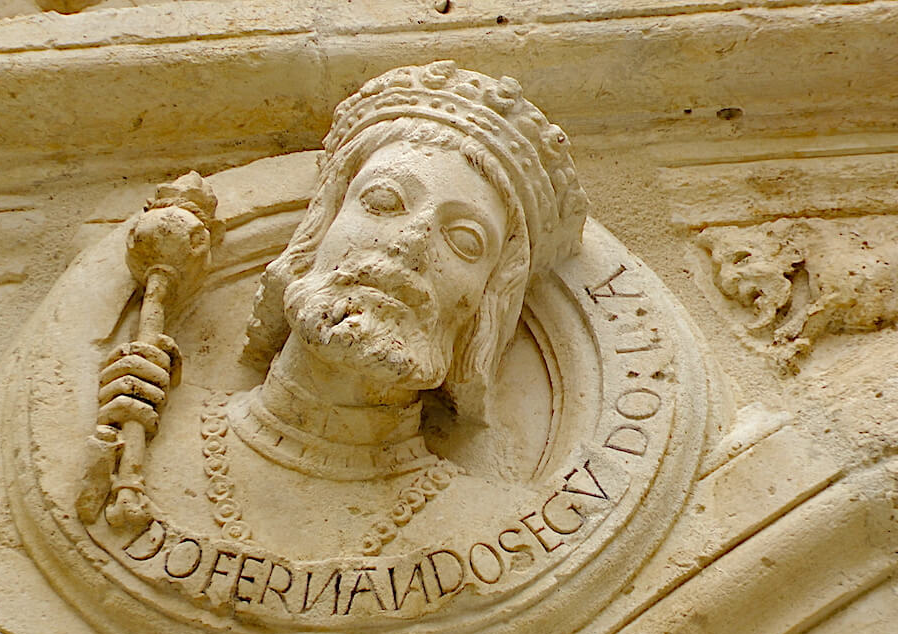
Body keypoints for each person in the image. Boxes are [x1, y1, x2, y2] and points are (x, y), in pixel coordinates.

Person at [96, 61, 589, 559]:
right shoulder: (144, 446)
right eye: (383, 201)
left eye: (465, 240)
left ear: (484, 309)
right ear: (318, 230)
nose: (411, 244)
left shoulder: (479, 520)